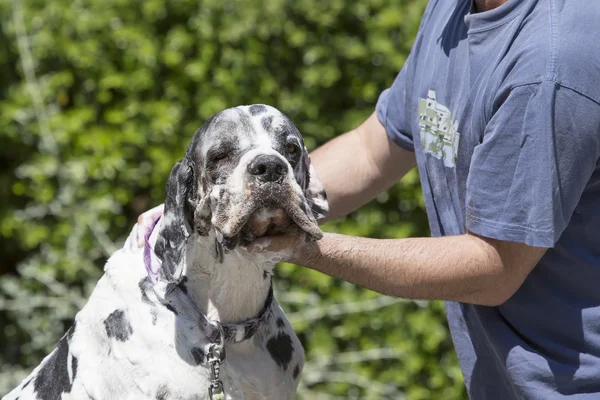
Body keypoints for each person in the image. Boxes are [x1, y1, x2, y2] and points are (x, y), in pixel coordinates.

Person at [132, 0, 600, 398]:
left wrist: (301, 244)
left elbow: (494, 266)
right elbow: (374, 148)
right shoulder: (453, 13)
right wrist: (249, 198)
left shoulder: (549, 66)